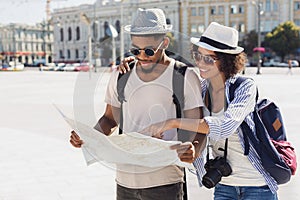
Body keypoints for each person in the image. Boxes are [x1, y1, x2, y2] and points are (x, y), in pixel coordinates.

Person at [70, 8, 206, 200]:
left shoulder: (184, 76)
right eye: (135, 50)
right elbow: (109, 119)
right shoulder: (121, 75)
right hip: (125, 180)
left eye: (149, 50)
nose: (142, 56)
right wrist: (90, 136)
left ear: (165, 42)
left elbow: (199, 126)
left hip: (165, 181)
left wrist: (195, 148)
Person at [140, 22, 278, 199]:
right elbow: (199, 130)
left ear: (227, 60)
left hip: (256, 185)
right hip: (223, 185)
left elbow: (226, 126)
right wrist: (132, 61)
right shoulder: (202, 88)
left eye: (208, 59)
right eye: (198, 56)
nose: (200, 63)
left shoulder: (245, 87)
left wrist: (171, 123)